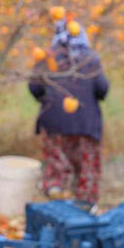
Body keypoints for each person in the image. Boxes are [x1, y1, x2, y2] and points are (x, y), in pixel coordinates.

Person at [28, 18, 109, 212]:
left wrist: (46, 99)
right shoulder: (90, 58)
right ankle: (86, 205)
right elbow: (102, 89)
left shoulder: (48, 57)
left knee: (57, 165)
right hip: (86, 123)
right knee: (86, 167)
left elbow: (34, 87)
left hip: (54, 121)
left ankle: (57, 202)